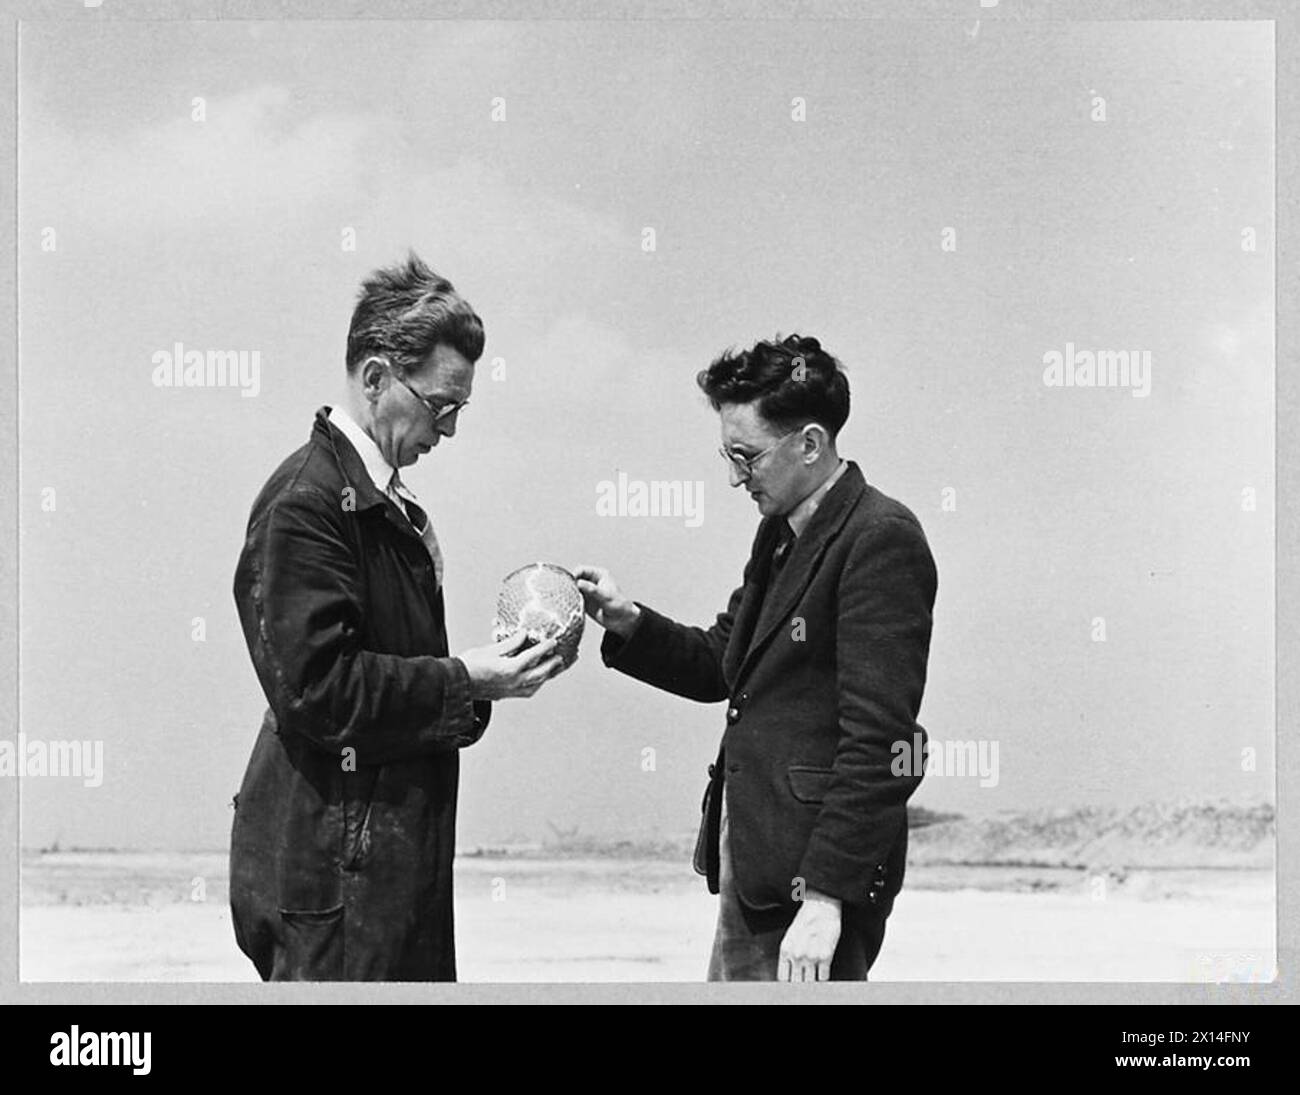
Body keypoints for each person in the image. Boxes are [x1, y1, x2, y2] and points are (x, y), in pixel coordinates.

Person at [229, 253, 565, 981]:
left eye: (460, 410)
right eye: (441, 405)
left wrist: (480, 681)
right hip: (335, 884)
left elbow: (388, 679)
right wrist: (464, 679)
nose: (448, 429)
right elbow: (319, 690)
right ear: (377, 378)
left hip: (386, 876)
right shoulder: (305, 505)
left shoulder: (383, 505)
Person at [576, 334, 937, 982]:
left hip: (814, 881)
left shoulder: (881, 538)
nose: (735, 476)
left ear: (809, 442)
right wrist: (628, 621)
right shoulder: (781, 532)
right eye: (728, 455)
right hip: (756, 867)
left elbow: (883, 741)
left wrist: (826, 898)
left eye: (747, 457)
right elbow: (725, 661)